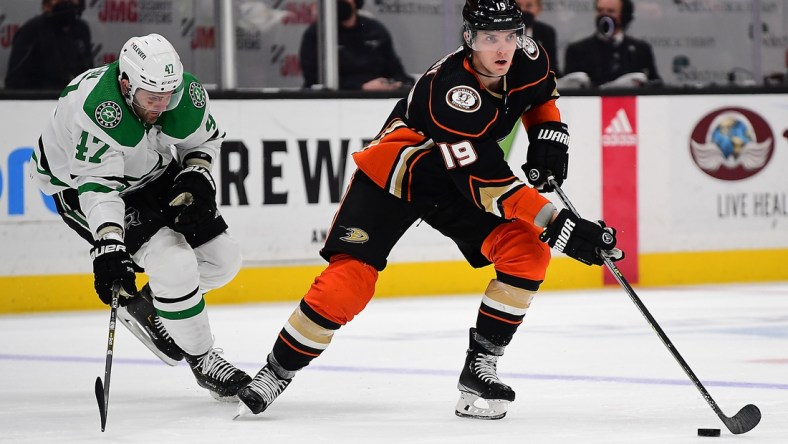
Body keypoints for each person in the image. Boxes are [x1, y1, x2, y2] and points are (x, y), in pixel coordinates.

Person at [235, 0, 623, 420]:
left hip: (456, 181)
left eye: (511, 35)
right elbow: (491, 188)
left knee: (526, 253)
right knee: (349, 282)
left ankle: (479, 368)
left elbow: (540, 97)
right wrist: (558, 224)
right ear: (469, 38)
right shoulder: (451, 94)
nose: (503, 48)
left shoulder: (529, 56)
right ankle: (277, 371)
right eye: (490, 38)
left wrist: (548, 133)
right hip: (398, 173)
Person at [30, 33, 252, 401]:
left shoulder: (179, 93)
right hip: (81, 182)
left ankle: (151, 309)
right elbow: (100, 187)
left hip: (149, 169)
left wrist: (196, 174)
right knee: (174, 261)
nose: (161, 107)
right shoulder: (98, 111)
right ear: (125, 84)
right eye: (152, 98)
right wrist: (109, 243)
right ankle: (203, 358)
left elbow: (203, 140)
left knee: (224, 259)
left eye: (168, 96)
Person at [299, 0, 414, 91]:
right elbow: (313, 79)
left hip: (377, 101)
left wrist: (397, 83)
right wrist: (361, 87)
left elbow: (395, 70)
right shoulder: (318, 33)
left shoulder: (375, 30)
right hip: (334, 102)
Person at [562, 0, 661, 88]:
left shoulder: (641, 50)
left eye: (610, 11)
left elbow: (655, 85)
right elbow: (569, 90)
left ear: (623, 15)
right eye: (600, 10)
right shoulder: (577, 50)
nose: (604, 16)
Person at [5, 0, 93, 90]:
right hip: (40, 99)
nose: (67, 2)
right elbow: (14, 82)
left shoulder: (82, 30)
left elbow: (88, 73)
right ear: (46, 5)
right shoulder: (32, 31)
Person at [515, 0, 560, 76]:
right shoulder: (503, 31)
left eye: (529, 6)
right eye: (518, 5)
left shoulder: (546, 32)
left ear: (538, 9)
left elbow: (551, 65)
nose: (522, 10)